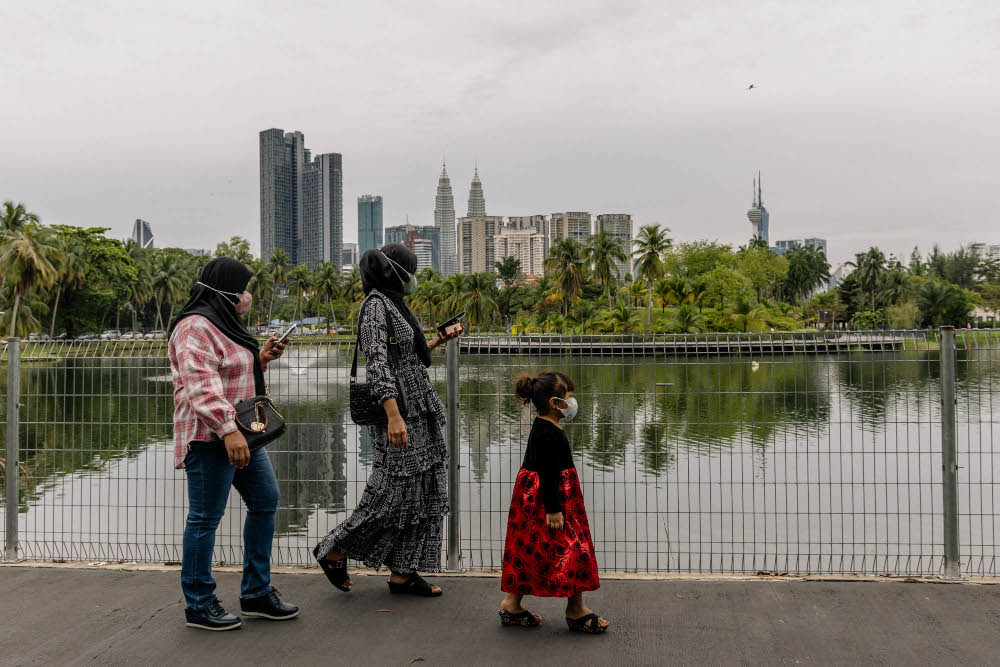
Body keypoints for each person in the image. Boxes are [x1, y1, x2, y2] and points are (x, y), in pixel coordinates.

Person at [314, 244, 463, 596]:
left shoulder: (396, 304)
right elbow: (378, 363)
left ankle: (403, 572)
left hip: (419, 407)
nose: (413, 278)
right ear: (395, 272)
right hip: (400, 411)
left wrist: (440, 338)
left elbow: (407, 354)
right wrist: (393, 415)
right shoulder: (375, 306)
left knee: (422, 489)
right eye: (410, 270)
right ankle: (334, 548)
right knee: (392, 490)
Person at [168, 257, 297, 631]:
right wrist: (229, 431)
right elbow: (201, 387)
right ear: (225, 291)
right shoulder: (195, 327)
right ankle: (198, 602)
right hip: (213, 437)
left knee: (265, 500)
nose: (248, 295)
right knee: (205, 518)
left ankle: (256, 592)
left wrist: (260, 359)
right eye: (242, 288)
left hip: (241, 434)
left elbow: (227, 372)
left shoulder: (223, 325)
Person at [498, 371, 610, 634]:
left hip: (538, 499)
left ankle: (512, 604)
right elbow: (548, 471)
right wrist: (554, 509)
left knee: (526, 548)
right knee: (575, 548)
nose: (573, 401)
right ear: (555, 403)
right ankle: (576, 609)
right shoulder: (549, 432)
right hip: (551, 501)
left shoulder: (545, 426)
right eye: (568, 396)